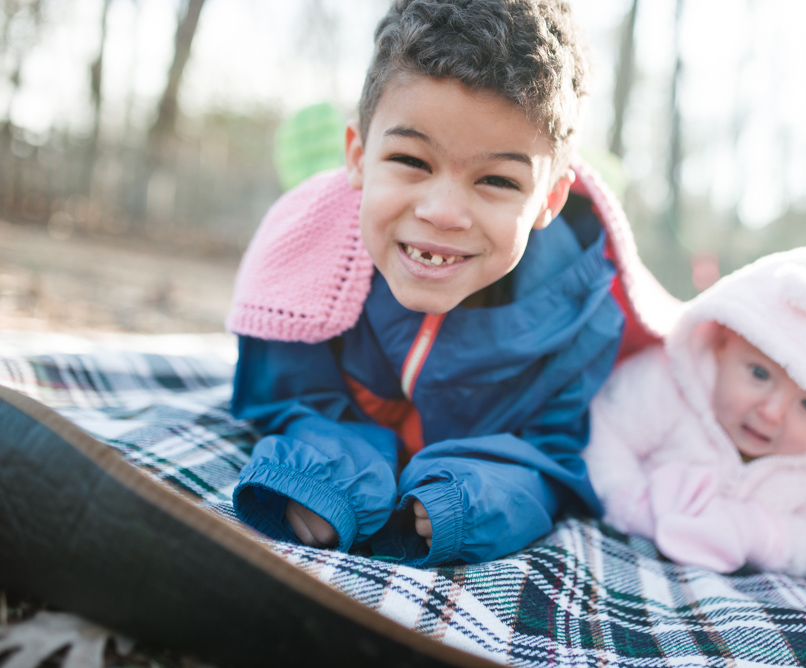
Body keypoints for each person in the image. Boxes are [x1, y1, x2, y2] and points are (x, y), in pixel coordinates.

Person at [223, 0, 668, 567]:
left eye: (497, 180)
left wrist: (471, 500)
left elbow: (551, 456)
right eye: (412, 160)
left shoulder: (582, 315)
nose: (443, 212)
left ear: (549, 199)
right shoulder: (301, 269)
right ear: (358, 156)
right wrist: (323, 470)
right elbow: (282, 397)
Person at [584, 239, 806, 576]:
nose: (771, 413)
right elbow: (607, 430)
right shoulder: (665, 383)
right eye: (759, 373)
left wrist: (756, 533)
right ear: (723, 341)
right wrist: (631, 503)